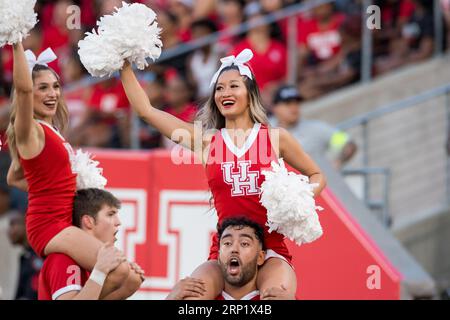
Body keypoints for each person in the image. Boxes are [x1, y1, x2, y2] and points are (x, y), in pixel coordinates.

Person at [119, 48, 326, 299]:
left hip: (270, 248)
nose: (225, 93)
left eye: (233, 86)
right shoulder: (206, 142)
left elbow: (317, 175)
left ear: (250, 94)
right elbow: (146, 112)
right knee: (187, 296)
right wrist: (125, 64)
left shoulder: (275, 138)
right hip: (225, 249)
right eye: (219, 88)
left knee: (277, 297)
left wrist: (300, 195)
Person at [5, 41, 142, 299]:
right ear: (28, 94)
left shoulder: (51, 131)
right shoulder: (30, 130)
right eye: (42, 88)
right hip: (49, 224)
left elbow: (13, 177)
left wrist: (42, 185)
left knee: (131, 279)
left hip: (62, 220)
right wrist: (17, 43)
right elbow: (21, 91)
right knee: (118, 270)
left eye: (55, 86)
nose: (52, 94)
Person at [38, 188, 143, 300]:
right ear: (88, 221)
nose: (118, 222)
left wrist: (126, 286)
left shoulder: (93, 264)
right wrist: (100, 272)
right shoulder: (63, 258)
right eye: (110, 214)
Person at [166, 217, 291, 300]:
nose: (234, 249)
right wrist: (170, 298)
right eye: (227, 243)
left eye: (244, 243)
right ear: (219, 256)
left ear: (260, 257)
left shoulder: (279, 297)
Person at [270, 84, 357, 169]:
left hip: (311, 181)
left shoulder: (316, 129)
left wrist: (336, 163)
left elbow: (348, 144)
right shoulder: (265, 129)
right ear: (275, 107)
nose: (294, 108)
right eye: (287, 103)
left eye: (297, 103)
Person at [8, 211, 42, 300]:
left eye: (13, 224)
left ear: (26, 224)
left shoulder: (39, 255)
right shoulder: (25, 256)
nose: (9, 231)